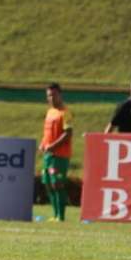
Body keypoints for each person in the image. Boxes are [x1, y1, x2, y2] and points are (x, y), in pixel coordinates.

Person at [41, 83, 74, 222]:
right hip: (48, 154)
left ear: (60, 95)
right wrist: (43, 144)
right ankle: (54, 215)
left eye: (54, 95)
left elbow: (68, 133)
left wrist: (53, 146)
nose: (51, 98)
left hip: (60, 155)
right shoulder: (50, 112)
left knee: (57, 184)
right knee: (48, 184)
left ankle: (61, 216)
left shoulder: (65, 112)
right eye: (49, 95)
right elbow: (47, 132)